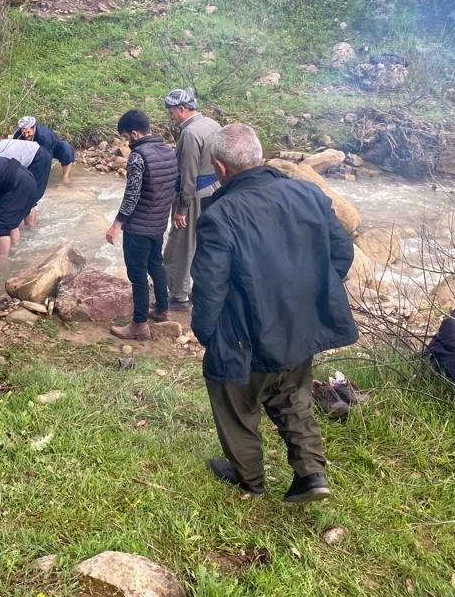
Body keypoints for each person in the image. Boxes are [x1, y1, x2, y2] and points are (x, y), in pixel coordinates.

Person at [191, 124, 357, 503]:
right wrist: (310, 294)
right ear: (258, 155)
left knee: (234, 399)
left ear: (220, 168)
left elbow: (210, 285)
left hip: (245, 329)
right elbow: (341, 255)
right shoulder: (307, 193)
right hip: (301, 321)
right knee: (291, 390)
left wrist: (206, 333)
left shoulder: (221, 212)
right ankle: (311, 474)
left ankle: (249, 479)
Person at [104, 109, 178, 341]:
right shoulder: (168, 151)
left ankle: (139, 325)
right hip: (158, 224)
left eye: (126, 137)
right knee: (156, 264)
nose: (126, 142)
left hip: (138, 227)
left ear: (135, 133)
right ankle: (163, 310)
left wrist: (116, 224)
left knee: (137, 275)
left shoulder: (138, 156)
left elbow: (132, 195)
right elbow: (172, 188)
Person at [163, 87, 221, 308]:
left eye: (171, 110)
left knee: (181, 245)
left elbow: (188, 176)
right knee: (205, 243)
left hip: (194, 194)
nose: (169, 114)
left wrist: (181, 209)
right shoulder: (213, 124)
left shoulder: (189, 134)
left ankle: (178, 295)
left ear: (182, 109)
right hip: (215, 188)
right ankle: (202, 288)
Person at [14, 116, 75, 184]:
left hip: (54, 147)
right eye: (23, 133)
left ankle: (66, 177)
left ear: (34, 128)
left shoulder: (44, 136)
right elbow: (16, 153)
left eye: (28, 132)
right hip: (35, 148)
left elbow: (46, 159)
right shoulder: (18, 135)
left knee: (67, 149)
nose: (26, 135)